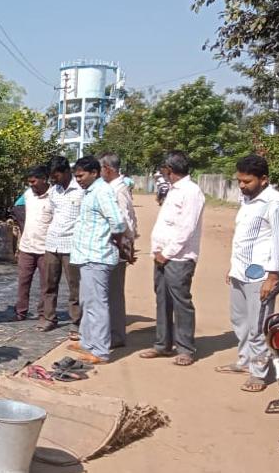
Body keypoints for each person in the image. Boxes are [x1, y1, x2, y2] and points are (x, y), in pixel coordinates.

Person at [217, 154, 279, 392]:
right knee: (239, 321)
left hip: (261, 276)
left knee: (258, 325)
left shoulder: (276, 203)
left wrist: (272, 277)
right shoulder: (248, 200)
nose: (241, 185)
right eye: (239, 180)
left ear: (263, 179)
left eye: (247, 181)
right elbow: (244, 239)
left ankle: (259, 373)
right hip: (241, 272)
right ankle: (245, 361)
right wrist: (233, 266)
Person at [142, 151, 205, 366]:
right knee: (162, 300)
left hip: (178, 257)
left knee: (181, 302)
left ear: (169, 169)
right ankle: (163, 344)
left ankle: (186, 348)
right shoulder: (174, 190)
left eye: (163, 169)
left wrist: (166, 253)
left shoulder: (191, 191)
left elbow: (186, 228)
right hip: (162, 255)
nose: (162, 172)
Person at [68, 156, 127, 364]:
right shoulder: (90, 192)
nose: (78, 180)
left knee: (97, 305)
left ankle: (100, 351)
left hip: (97, 255)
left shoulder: (102, 191)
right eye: (76, 177)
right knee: (87, 301)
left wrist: (112, 238)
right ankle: (87, 340)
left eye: (81, 176)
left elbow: (118, 222)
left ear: (94, 172)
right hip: (86, 255)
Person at [40, 155, 85, 337]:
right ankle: (50, 318)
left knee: (75, 287)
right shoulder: (53, 192)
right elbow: (49, 215)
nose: (53, 179)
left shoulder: (81, 190)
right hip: (52, 244)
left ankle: (77, 322)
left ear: (66, 171)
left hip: (72, 246)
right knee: (49, 284)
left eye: (55, 175)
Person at [100, 152, 139, 348]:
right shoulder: (112, 189)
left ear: (107, 169)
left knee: (114, 293)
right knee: (107, 292)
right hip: (112, 246)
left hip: (116, 246)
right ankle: (110, 332)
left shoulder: (118, 191)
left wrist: (126, 246)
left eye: (101, 169)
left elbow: (124, 221)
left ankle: (116, 335)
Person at [14, 165, 53, 322]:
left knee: (46, 284)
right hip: (27, 247)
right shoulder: (28, 194)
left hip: (46, 248)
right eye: (29, 182)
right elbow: (17, 207)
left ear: (44, 179)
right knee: (23, 281)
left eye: (34, 181)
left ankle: (43, 314)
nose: (31, 184)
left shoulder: (54, 195)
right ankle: (20, 312)